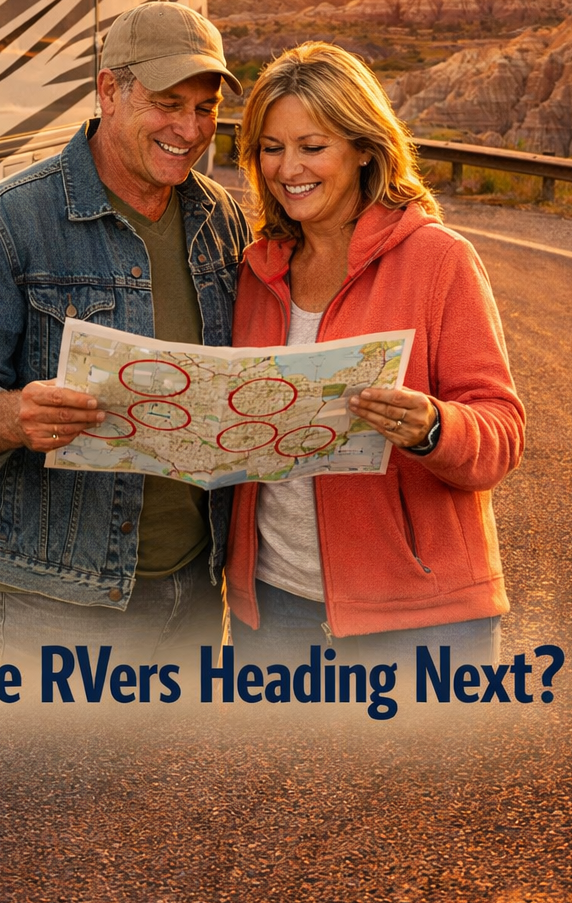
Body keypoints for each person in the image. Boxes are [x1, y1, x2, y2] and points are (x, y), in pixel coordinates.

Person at [0, 1, 249, 668]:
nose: (189, 128)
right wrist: (8, 415)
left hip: (194, 585)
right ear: (109, 91)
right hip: (54, 601)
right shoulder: (5, 223)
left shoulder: (220, 219)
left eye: (205, 108)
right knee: (46, 776)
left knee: (157, 775)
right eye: (167, 103)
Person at [225, 42, 525, 669]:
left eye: (313, 147)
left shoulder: (439, 260)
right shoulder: (256, 272)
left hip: (423, 618)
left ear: (364, 148)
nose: (288, 169)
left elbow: (500, 431)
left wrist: (432, 428)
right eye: (270, 148)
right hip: (276, 612)